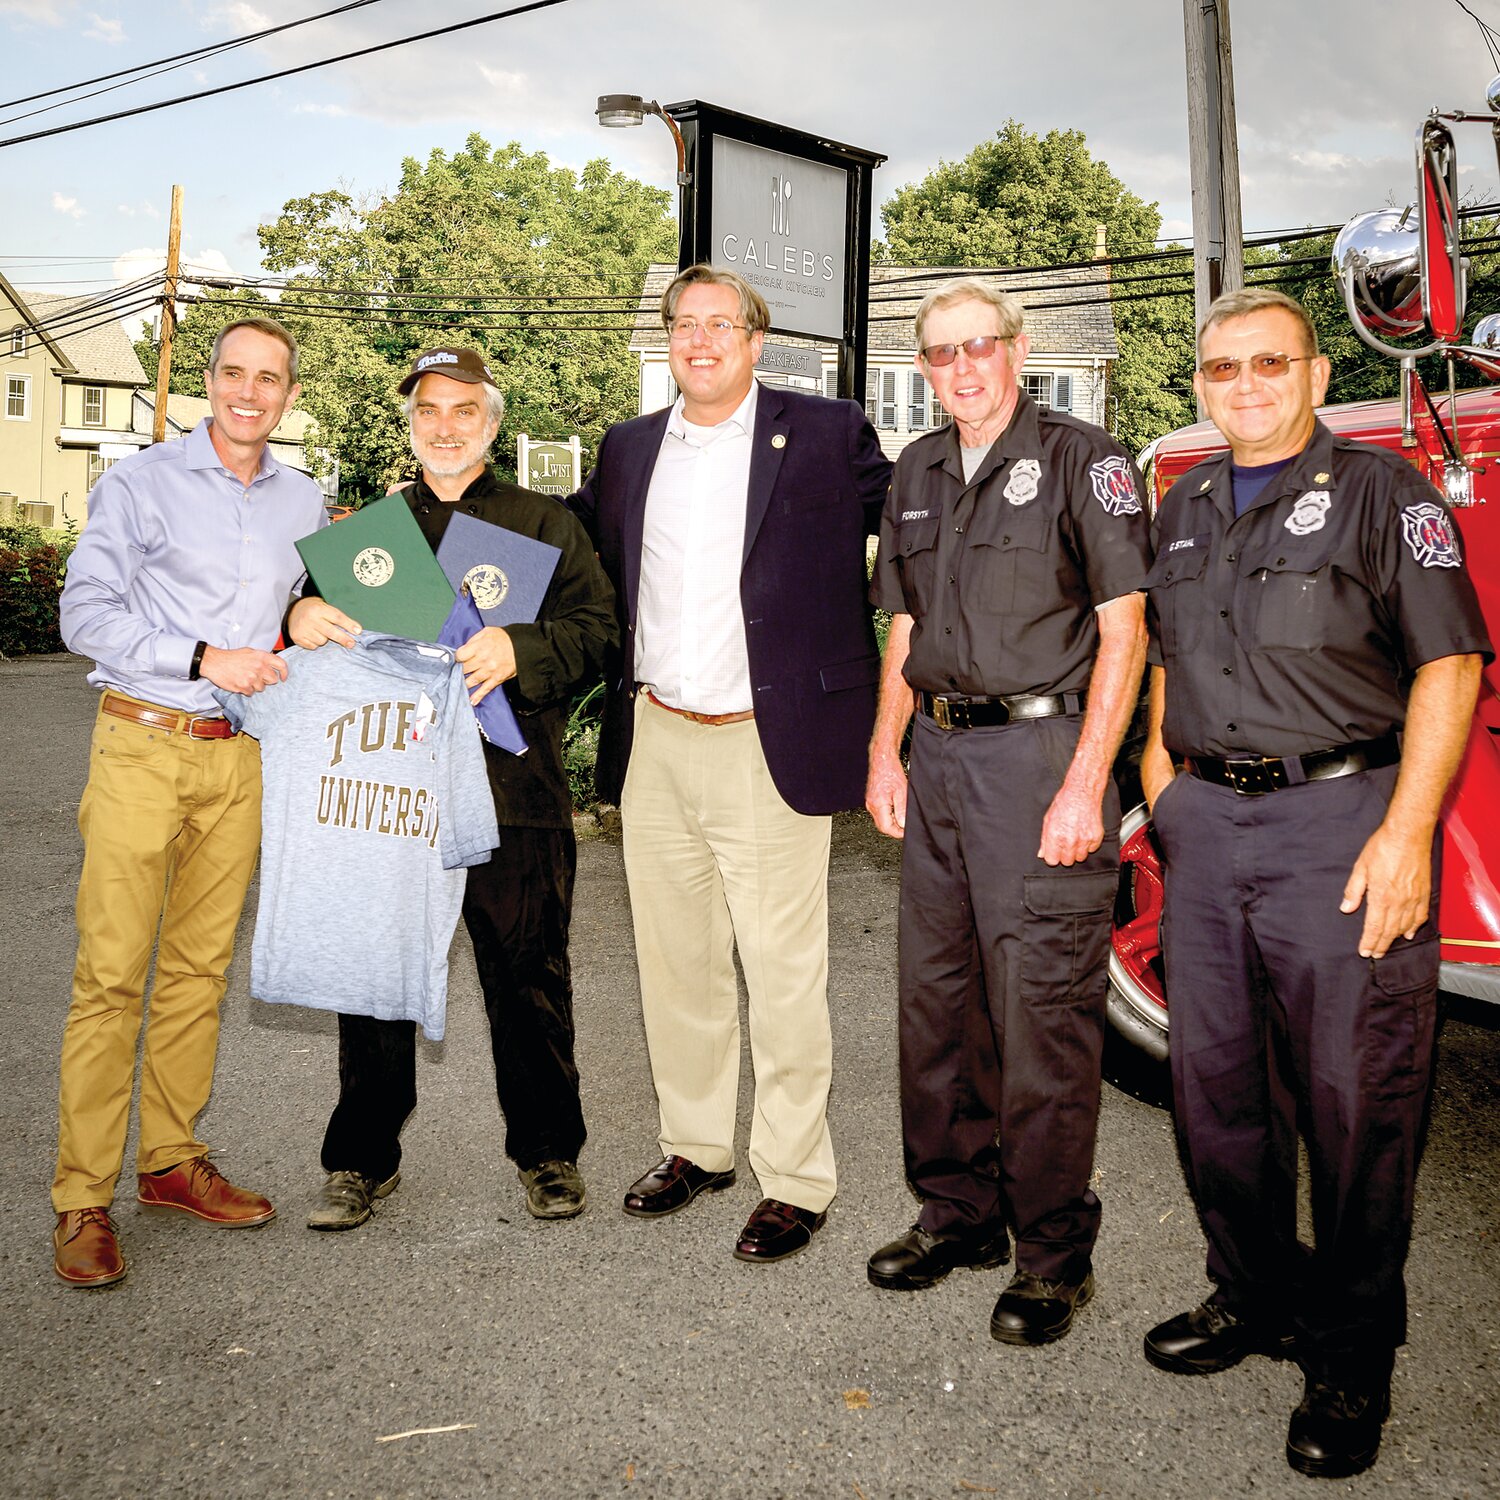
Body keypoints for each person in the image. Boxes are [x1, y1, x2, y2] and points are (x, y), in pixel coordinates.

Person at [1138, 288, 1490, 1478]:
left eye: (1267, 365)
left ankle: (1351, 1358)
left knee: (1356, 1106)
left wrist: (1406, 835)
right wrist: (1157, 771)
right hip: (1206, 826)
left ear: (1314, 371)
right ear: (1199, 382)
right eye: (1221, 368)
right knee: (1216, 1093)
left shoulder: (1389, 494)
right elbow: (1162, 656)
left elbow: (1449, 665)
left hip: (1343, 827)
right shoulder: (1181, 505)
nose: (1243, 385)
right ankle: (1251, 1297)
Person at [569, 264, 891, 1263]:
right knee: (678, 966)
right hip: (657, 735)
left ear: (757, 341)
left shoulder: (829, 435)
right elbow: (560, 552)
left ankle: (795, 1178)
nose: (700, 340)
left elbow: (930, 530)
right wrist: (410, 557)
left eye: (721, 325)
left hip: (771, 739)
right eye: (683, 324)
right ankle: (698, 1148)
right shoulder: (626, 451)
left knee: (784, 973)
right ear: (668, 340)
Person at [864, 279, 1151, 1345]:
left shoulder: (1088, 460)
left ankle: (1051, 1255)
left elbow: (1125, 630)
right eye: (940, 354)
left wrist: (1086, 780)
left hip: (1040, 758)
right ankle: (957, 1214)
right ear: (927, 367)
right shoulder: (917, 470)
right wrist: (884, 754)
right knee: (937, 1009)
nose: (961, 368)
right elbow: (904, 627)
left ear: (1016, 350)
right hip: (935, 757)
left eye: (978, 346)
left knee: (1042, 1020)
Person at [289, 346, 615, 1230]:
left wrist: (523, 649)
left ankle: (548, 1153)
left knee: (529, 973)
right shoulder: (370, 534)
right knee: (377, 979)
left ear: (492, 424)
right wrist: (297, 614)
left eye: (463, 410)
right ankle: (361, 1159)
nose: (444, 424)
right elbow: (303, 618)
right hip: (390, 794)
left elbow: (601, 632)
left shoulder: (545, 525)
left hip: (514, 790)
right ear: (411, 422)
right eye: (429, 409)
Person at [53, 317, 327, 1287]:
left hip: (238, 760)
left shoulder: (306, 499)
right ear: (208, 381)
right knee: (112, 977)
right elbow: (81, 612)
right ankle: (82, 1197)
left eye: (272, 379)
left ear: (291, 393)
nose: (251, 392)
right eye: (235, 373)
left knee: (197, 975)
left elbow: (316, 607)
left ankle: (169, 1162)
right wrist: (205, 657)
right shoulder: (139, 483)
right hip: (143, 742)